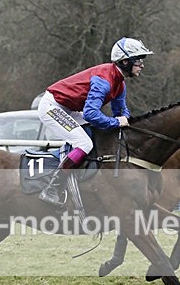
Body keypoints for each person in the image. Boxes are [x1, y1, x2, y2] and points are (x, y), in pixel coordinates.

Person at [36, 37, 153, 206]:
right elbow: (91, 114)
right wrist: (116, 122)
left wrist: (127, 123)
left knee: (95, 135)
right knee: (84, 144)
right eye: (139, 60)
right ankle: (52, 188)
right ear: (125, 61)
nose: (142, 65)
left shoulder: (119, 83)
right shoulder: (104, 80)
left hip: (69, 108)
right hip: (52, 106)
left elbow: (121, 112)